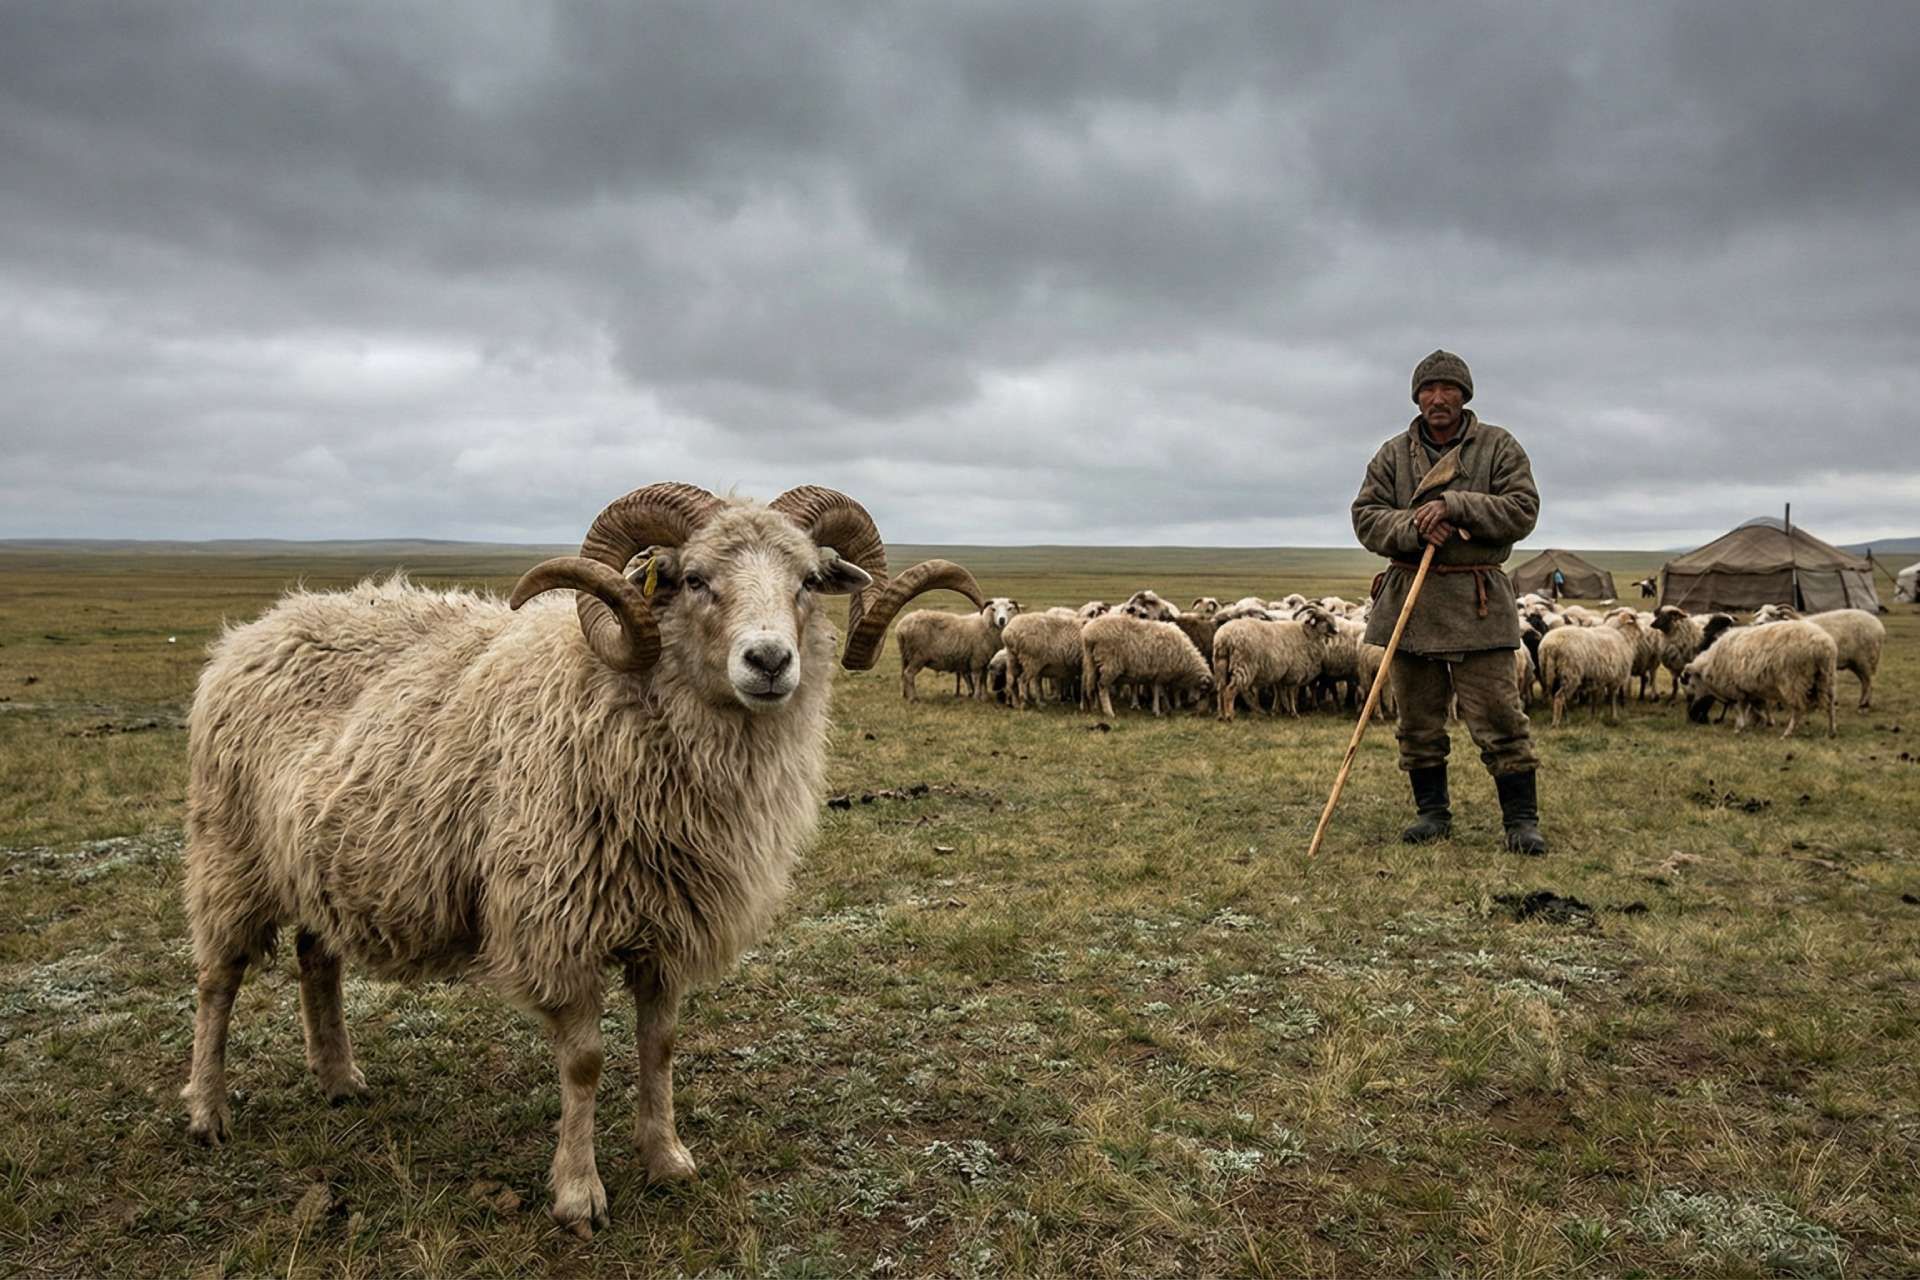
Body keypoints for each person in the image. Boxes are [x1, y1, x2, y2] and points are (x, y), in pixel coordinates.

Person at [1351, 350, 1547, 854]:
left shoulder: (1498, 447)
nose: (1438, 398)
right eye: (1429, 389)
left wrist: (1455, 506)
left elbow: (1522, 510)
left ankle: (1521, 821)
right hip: (1411, 603)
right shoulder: (1393, 455)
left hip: (1476, 602)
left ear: (1465, 395)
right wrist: (1414, 526)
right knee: (1417, 719)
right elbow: (1366, 516)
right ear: (1417, 397)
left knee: (1499, 716)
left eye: (1448, 389)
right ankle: (1432, 814)